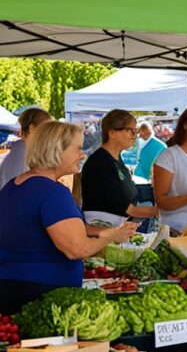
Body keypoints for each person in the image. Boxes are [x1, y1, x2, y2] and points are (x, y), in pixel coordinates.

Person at [0, 121, 136, 314]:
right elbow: (77, 249)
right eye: (78, 149)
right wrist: (112, 237)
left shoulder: (14, 186)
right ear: (57, 150)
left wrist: (106, 231)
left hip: (12, 288)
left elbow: (55, 225)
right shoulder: (52, 192)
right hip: (43, 297)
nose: (82, 155)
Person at [81, 110, 160, 220]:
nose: (134, 135)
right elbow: (131, 210)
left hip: (119, 229)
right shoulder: (100, 163)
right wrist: (166, 210)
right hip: (104, 231)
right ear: (112, 133)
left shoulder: (116, 159)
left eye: (135, 131)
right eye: (129, 130)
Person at [0, 107, 52, 188]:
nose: (49, 135)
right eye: (46, 130)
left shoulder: (21, 148)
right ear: (31, 129)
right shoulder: (24, 151)